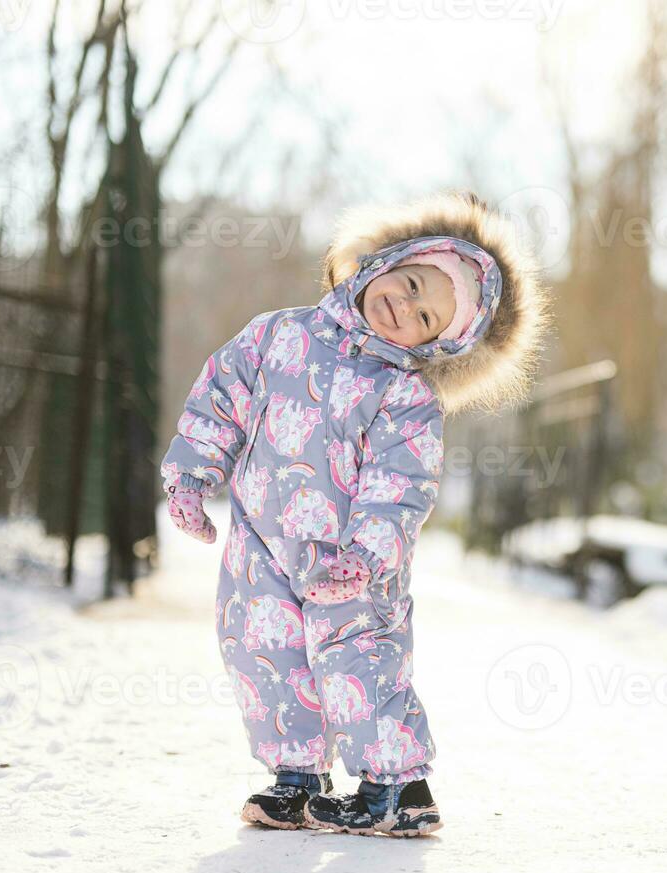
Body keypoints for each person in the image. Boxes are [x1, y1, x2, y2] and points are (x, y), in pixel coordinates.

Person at [160, 192, 549, 836]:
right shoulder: (275, 334)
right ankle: (298, 779)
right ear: (387, 260)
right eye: (412, 283)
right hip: (261, 542)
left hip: (349, 560)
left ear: (435, 344)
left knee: (357, 658)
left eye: (425, 317)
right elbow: (220, 397)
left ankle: (396, 785)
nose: (404, 306)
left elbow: (399, 486)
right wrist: (192, 474)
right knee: (261, 651)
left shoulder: (405, 397)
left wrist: (367, 557)